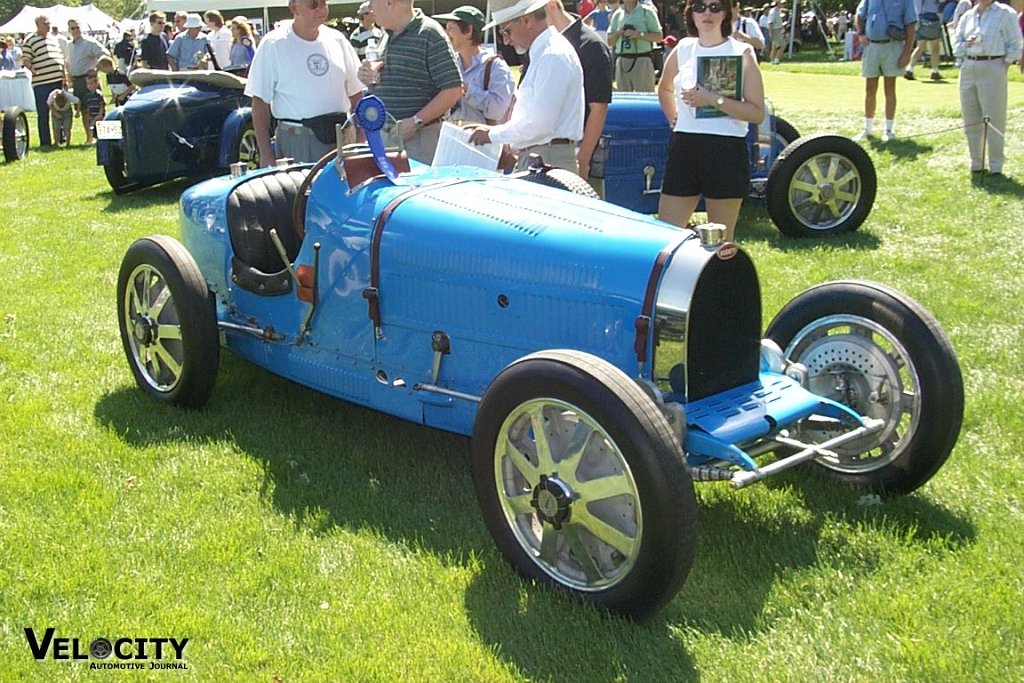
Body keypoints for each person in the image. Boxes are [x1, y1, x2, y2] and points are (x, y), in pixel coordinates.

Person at [656, 0, 766, 240]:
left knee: (720, 241)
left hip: (725, 148)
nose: (707, 13)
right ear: (691, 13)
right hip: (684, 146)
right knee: (666, 235)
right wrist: (674, 119)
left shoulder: (741, 52)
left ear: (726, 13)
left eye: (715, 7)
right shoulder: (683, 48)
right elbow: (664, 88)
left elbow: (757, 112)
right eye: (700, 6)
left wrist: (712, 99)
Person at [468, 0, 585, 173]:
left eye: (506, 31)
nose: (506, 41)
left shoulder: (552, 56)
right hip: (542, 157)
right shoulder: (546, 53)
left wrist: (491, 135)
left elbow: (538, 125)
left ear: (527, 20)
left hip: (547, 160)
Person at [245, 0, 364, 165]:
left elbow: (356, 94)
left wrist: (361, 138)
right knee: (304, 190)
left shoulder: (337, 40)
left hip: (343, 136)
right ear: (294, 8)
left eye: (324, 3)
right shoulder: (274, 44)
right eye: (314, 4)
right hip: (298, 140)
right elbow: (259, 102)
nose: (321, 9)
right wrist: (265, 154)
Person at [358, 0, 463, 165]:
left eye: (372, 2)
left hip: (419, 141)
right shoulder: (386, 35)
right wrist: (370, 76)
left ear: (390, 3)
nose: (370, 9)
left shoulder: (429, 33)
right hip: (387, 139)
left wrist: (416, 121)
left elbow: (453, 89)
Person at [546, 0, 613, 187]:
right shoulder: (544, 43)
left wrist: (583, 160)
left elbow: (598, 108)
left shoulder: (592, 46)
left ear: (551, 6)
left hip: (579, 152)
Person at [951, 0, 1022, 176]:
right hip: (969, 65)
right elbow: (956, 44)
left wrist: (1005, 63)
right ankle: (977, 163)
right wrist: (965, 46)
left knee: (994, 117)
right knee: (971, 117)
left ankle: (996, 165)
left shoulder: (1005, 13)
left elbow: (1016, 43)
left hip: (993, 64)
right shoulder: (968, 16)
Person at [434, 5, 514, 124]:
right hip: (453, 138)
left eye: (450, 28)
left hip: (484, 141)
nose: (445, 34)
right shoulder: (449, 65)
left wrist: (465, 88)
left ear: (468, 31)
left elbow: (497, 111)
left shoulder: (496, 67)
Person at [853, 0, 917, 142]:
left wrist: (907, 53)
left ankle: (888, 130)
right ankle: (868, 129)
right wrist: (861, 33)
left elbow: (910, 25)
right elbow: (859, 14)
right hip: (872, 45)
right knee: (870, 89)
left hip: (893, 45)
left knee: (889, 88)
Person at [22, 15, 66, 147]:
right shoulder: (30, 40)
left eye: (49, 23)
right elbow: (26, 59)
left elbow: (60, 57)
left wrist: (64, 76)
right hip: (42, 82)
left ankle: (60, 137)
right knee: (43, 112)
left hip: (57, 80)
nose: (48, 25)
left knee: (60, 109)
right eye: (45, 23)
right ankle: (45, 141)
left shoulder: (53, 39)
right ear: (38, 25)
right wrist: (32, 69)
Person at [65, 19, 109, 143]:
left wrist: (96, 69)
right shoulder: (68, 45)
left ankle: (102, 136)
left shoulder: (90, 43)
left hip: (89, 80)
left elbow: (104, 54)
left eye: (77, 27)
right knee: (84, 110)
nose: (75, 30)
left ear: (81, 28)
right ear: (69, 30)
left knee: (96, 108)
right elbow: (67, 63)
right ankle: (89, 138)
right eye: (72, 28)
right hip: (76, 81)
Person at [608, 0, 663, 91]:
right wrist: (618, 33)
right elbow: (610, 42)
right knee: (624, 100)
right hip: (622, 61)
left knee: (645, 99)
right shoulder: (617, 14)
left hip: (642, 61)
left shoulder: (646, 12)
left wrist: (639, 34)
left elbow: (659, 37)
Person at [905, 0, 943, 80]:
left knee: (920, 47)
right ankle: (934, 71)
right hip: (932, 17)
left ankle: (909, 69)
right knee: (935, 48)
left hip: (919, 18)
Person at [81, 71, 106, 141]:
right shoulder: (88, 96)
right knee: (92, 127)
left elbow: (102, 105)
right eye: (88, 84)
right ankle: (92, 139)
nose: (89, 86)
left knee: (99, 127)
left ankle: (101, 139)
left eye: (91, 84)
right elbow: (88, 106)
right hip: (92, 115)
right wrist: (88, 115)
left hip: (98, 114)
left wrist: (100, 114)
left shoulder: (99, 94)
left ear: (96, 84)